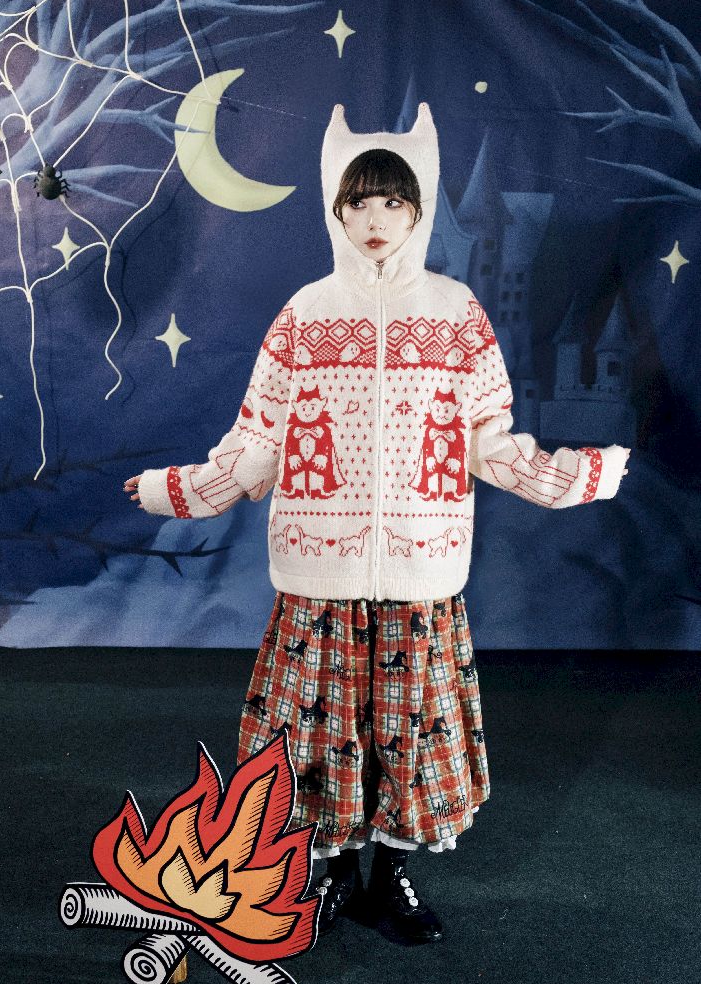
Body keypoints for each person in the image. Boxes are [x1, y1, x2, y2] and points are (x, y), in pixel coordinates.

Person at [124, 102, 630, 947]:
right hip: (318, 574)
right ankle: (325, 874)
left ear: (420, 207)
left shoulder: (457, 315)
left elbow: (489, 444)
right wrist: (177, 491)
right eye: (358, 200)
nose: (375, 219)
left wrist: (580, 476)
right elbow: (256, 446)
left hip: (421, 571)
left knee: (407, 727)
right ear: (335, 206)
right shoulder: (305, 315)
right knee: (320, 729)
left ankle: (389, 874)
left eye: (394, 201)